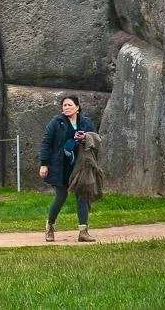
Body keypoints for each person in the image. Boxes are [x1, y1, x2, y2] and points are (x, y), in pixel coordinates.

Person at [39, 95, 97, 243]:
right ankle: (50, 228)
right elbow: (46, 143)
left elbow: (96, 139)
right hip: (60, 166)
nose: (66, 108)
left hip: (80, 166)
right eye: (64, 105)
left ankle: (83, 232)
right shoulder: (56, 123)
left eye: (69, 105)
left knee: (82, 195)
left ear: (77, 107)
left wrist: (85, 138)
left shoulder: (86, 122)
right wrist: (44, 164)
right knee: (61, 196)